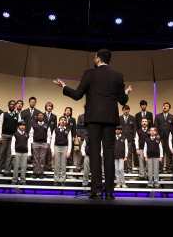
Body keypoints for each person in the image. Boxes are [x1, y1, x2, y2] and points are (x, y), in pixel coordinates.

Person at [53, 48, 132, 200]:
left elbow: (77, 95)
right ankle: (109, 191)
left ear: (97, 58)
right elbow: (122, 100)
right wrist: (127, 93)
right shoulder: (118, 75)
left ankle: (96, 190)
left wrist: (64, 86)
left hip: (93, 119)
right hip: (110, 120)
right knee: (109, 154)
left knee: (95, 153)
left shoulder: (89, 73)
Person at [0, 100, 21, 176]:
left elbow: (19, 127)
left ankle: (7, 171)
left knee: (9, 154)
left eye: (13, 104)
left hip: (13, 137)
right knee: (1, 153)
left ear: (15, 106)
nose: (12, 106)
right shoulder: (3, 114)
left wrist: (17, 137)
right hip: (4, 136)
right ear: (8, 105)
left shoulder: (18, 115)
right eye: (11, 104)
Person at [50, 116, 72, 186]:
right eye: (61, 120)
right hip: (57, 147)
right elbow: (52, 141)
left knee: (63, 165)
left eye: (64, 120)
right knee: (56, 165)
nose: (63, 121)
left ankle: (63, 180)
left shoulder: (68, 131)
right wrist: (52, 151)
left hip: (65, 148)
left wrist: (69, 151)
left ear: (66, 122)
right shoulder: (55, 130)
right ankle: (56, 180)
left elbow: (70, 142)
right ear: (59, 121)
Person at [29, 112, 51, 179]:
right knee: (35, 159)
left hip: (44, 144)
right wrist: (32, 143)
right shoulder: (34, 125)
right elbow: (31, 135)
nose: (40, 116)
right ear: (37, 117)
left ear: (44, 117)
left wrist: (47, 143)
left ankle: (41, 173)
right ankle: (35, 173)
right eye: (39, 115)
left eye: (42, 115)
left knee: (42, 159)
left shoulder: (47, 126)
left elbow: (49, 135)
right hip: (35, 143)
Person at [154, 102, 173, 173]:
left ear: (169, 108)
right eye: (164, 106)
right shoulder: (158, 116)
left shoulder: (172, 117)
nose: (165, 107)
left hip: (169, 137)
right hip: (160, 137)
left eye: (167, 106)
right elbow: (155, 126)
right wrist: (157, 134)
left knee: (169, 153)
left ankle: (169, 168)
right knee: (160, 152)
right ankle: (160, 168)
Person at [11, 120, 31, 185]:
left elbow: (29, 144)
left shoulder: (27, 135)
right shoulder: (15, 134)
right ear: (18, 126)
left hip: (25, 152)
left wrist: (29, 153)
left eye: (23, 125)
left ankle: (22, 180)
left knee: (24, 167)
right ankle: (14, 180)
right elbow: (13, 144)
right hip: (17, 152)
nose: (22, 127)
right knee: (16, 166)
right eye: (21, 125)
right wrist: (13, 152)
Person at [119, 105, 136, 174]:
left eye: (127, 109)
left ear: (129, 110)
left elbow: (134, 127)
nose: (126, 111)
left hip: (130, 137)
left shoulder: (133, 118)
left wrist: (135, 136)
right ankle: (124, 168)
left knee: (129, 153)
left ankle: (129, 168)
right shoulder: (119, 118)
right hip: (122, 137)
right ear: (122, 110)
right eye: (125, 110)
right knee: (122, 153)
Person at [44, 102, 57, 171]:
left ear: (52, 108)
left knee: (49, 151)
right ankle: (43, 165)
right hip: (43, 136)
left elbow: (55, 127)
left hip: (51, 136)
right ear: (46, 107)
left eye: (50, 106)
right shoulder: (42, 115)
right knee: (43, 152)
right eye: (48, 106)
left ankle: (49, 166)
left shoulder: (54, 116)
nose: (49, 107)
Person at [75, 108, 86, 172]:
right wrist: (78, 135)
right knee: (81, 152)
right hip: (82, 136)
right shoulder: (81, 116)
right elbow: (79, 127)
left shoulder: (93, 117)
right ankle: (79, 166)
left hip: (91, 137)